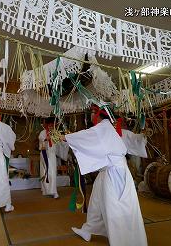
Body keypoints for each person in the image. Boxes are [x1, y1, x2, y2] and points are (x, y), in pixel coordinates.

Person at [62, 105, 147, 246]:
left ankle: (124, 241)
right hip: (107, 171)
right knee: (96, 202)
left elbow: (86, 136)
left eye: (94, 113)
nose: (91, 116)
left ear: (100, 115)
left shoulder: (104, 127)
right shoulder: (107, 128)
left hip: (114, 173)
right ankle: (88, 229)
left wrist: (65, 137)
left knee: (115, 207)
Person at [38, 117, 59, 199]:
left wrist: (64, 140)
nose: (51, 127)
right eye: (49, 125)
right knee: (45, 172)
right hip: (45, 154)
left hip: (52, 155)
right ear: (47, 125)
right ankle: (46, 190)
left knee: (53, 172)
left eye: (52, 125)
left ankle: (54, 191)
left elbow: (59, 144)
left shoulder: (56, 133)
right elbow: (41, 139)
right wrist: (47, 138)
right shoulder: (43, 132)